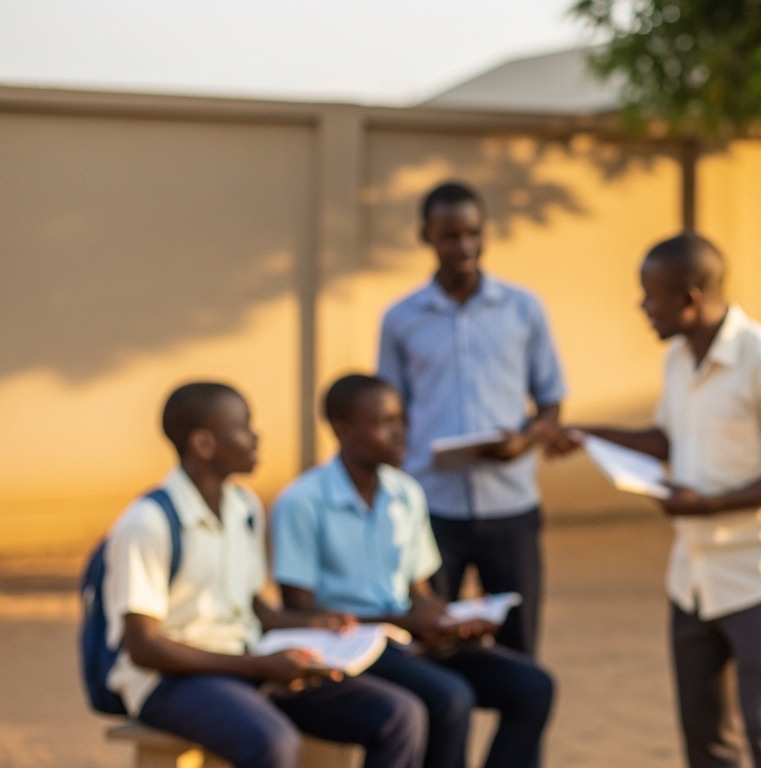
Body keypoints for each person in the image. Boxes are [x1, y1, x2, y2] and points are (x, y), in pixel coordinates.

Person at [551, 233, 761, 768]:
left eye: (649, 296)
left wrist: (709, 505)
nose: (641, 307)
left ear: (689, 298)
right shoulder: (679, 358)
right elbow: (667, 440)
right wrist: (585, 434)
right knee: (705, 738)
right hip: (693, 577)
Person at [101, 382, 426, 768]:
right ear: (203, 444)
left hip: (245, 660)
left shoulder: (244, 507)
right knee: (272, 743)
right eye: (244, 427)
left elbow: (253, 608)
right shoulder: (148, 522)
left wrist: (315, 624)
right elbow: (144, 647)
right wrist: (257, 666)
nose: (257, 437)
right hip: (172, 680)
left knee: (398, 714)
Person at [271, 374, 555, 768]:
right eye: (385, 422)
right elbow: (300, 612)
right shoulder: (302, 502)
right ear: (342, 429)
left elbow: (419, 588)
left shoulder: (406, 493)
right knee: (450, 697)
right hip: (353, 646)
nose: (402, 432)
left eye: (403, 420)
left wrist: (451, 619)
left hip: (408, 639)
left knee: (532, 685)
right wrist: (406, 619)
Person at [377, 181, 566, 657]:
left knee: (520, 648)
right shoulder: (401, 319)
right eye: (449, 235)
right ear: (426, 236)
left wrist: (522, 442)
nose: (463, 246)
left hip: (511, 506)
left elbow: (550, 402)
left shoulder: (524, 308)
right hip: (433, 509)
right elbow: (388, 413)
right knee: (433, 642)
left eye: (472, 233)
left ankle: (522, 734)